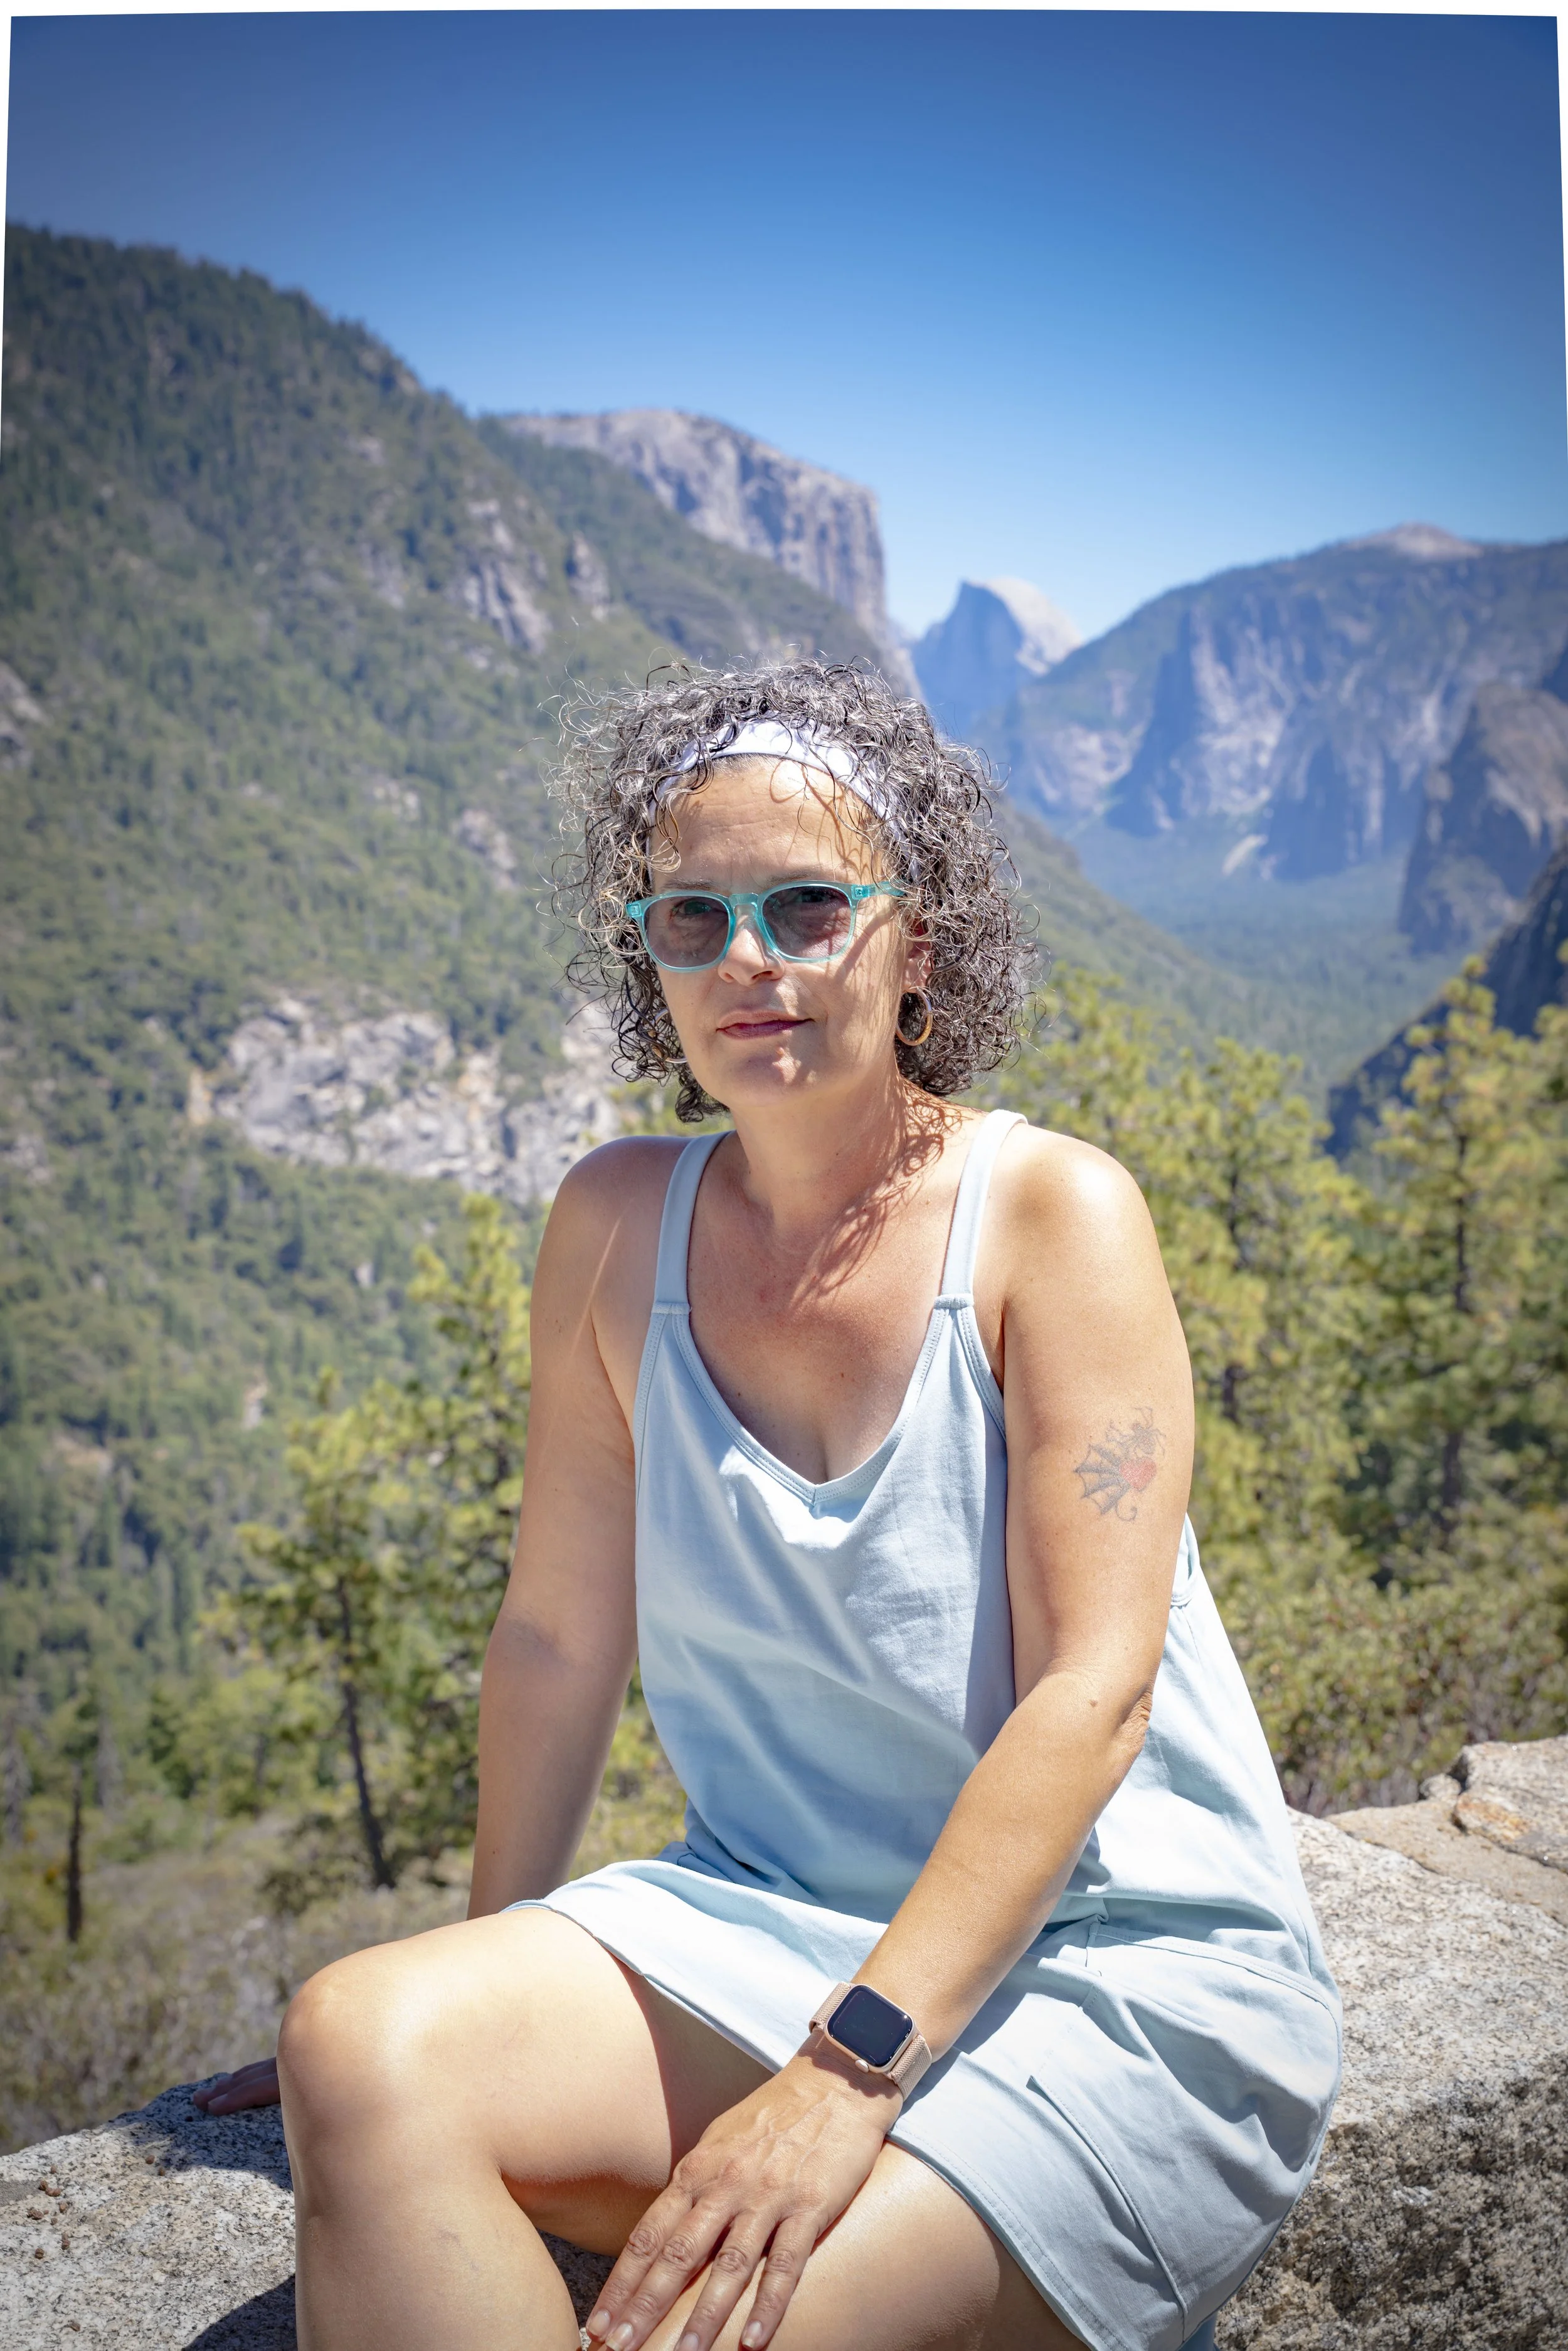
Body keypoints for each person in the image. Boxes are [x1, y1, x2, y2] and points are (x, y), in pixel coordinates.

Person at [196, 661, 1340, 2351]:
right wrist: (495, 1972)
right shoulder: (609, 1227)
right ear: (647, 961)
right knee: (363, 2043)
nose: (749, 956)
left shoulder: (1051, 1218)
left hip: (1108, 1960)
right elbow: (554, 1631)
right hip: (769, 1908)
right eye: (691, 918)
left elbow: (1092, 1695)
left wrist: (843, 2069)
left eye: (808, 905)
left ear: (920, 942)